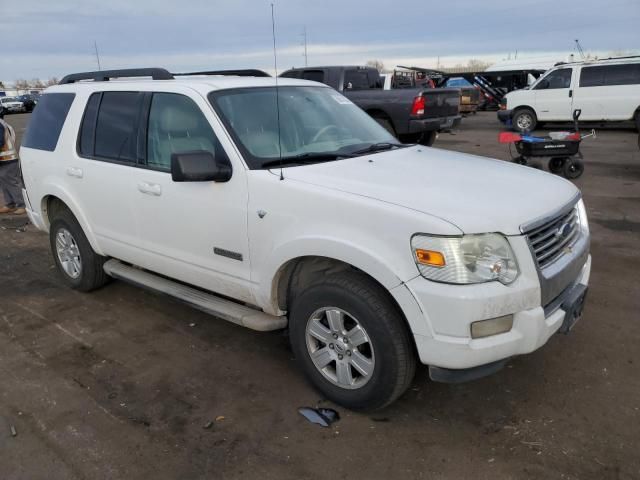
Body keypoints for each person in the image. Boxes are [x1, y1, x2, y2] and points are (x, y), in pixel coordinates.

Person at [0, 110, 26, 215]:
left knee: (12, 183)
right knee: (4, 183)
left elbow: (0, 141)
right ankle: (10, 204)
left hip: (8, 158)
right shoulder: (3, 123)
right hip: (4, 158)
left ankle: (22, 205)